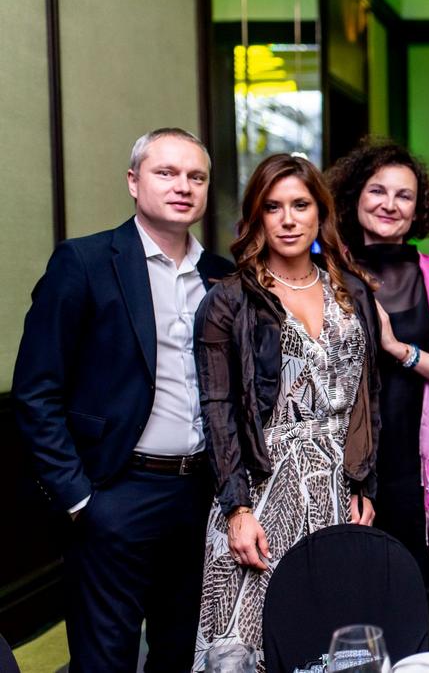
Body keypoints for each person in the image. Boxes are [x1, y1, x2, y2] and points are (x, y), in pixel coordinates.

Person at [11, 128, 234, 672]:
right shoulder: (85, 262)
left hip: (199, 496)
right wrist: (80, 498)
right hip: (116, 492)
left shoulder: (220, 276)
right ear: (134, 182)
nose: (183, 186)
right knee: (105, 660)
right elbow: (36, 389)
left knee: (180, 654)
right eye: (166, 173)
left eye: (196, 177)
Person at [191, 154, 381, 668]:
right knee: (242, 646)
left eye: (300, 205)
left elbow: (367, 399)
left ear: (321, 212)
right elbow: (218, 411)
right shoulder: (230, 299)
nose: (288, 219)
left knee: (327, 643)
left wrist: (363, 484)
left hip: (336, 491)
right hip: (260, 493)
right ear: (257, 217)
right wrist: (237, 511)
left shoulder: (352, 291)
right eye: (273, 207)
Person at [327, 137, 429, 598]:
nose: (389, 204)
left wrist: (398, 349)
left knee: (415, 582)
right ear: (355, 197)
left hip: (417, 458)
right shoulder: (326, 271)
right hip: (342, 456)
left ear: (417, 211)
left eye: (404, 196)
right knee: (352, 581)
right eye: (378, 190)